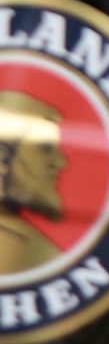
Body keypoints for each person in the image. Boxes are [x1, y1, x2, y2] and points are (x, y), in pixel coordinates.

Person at [0, 91, 65, 274]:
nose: (61, 162)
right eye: (46, 147)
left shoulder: (43, 256)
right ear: (2, 157)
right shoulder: (37, 255)